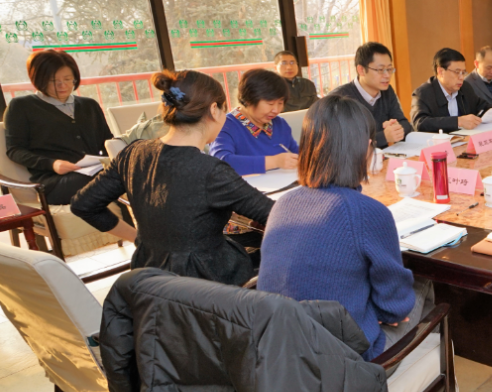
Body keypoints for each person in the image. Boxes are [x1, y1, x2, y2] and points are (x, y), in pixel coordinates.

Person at [258, 96, 430, 361]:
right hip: (345, 364)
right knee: (425, 286)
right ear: (367, 148)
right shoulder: (367, 212)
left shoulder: (283, 203)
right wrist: (384, 313)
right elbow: (394, 308)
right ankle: (428, 368)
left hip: (279, 355)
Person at [71, 70, 273, 286]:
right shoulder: (211, 170)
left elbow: (83, 204)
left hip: (150, 278)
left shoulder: (132, 153)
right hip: (208, 285)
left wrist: (140, 239)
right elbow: (275, 214)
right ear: (214, 110)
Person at [3, 49, 112, 205]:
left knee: (125, 174)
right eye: (53, 81)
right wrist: (53, 164)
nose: (63, 85)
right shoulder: (21, 106)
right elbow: (15, 150)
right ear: (39, 80)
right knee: (107, 180)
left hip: (94, 172)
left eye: (68, 79)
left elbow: (107, 142)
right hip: (55, 182)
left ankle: (134, 220)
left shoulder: (89, 105)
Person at [208, 68, 299, 175]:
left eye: (280, 103)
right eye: (270, 103)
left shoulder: (280, 124)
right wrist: (274, 162)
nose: (276, 110)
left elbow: (298, 153)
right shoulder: (225, 125)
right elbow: (221, 163)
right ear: (248, 100)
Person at [327, 42, 412, 148]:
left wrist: (396, 128)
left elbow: (405, 123)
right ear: (361, 70)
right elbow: (343, 142)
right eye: (380, 70)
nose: (387, 75)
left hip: (382, 156)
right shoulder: (340, 98)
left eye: (389, 69)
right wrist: (383, 137)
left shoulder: (387, 91)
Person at [411, 47, 491, 133]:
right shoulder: (423, 93)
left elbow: (482, 106)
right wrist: (458, 121)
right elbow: (419, 123)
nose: (461, 77)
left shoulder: (465, 87)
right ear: (440, 71)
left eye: (463, 72)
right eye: (457, 72)